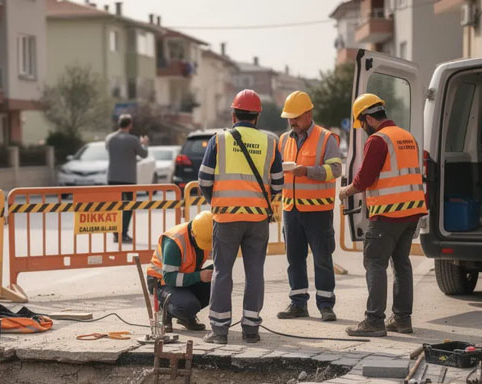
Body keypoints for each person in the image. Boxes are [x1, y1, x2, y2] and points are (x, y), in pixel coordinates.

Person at [197, 89, 284, 344]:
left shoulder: (219, 139)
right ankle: (250, 329)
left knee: (222, 271)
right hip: (258, 218)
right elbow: (278, 183)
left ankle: (220, 330)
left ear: (233, 114)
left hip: (226, 217)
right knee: (255, 271)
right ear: (257, 117)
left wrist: (215, 201)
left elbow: (203, 179)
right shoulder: (270, 141)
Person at [338, 93, 427, 337]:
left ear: (368, 118)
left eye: (362, 124)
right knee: (401, 265)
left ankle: (374, 321)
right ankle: (401, 320)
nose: (363, 129)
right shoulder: (407, 137)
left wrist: (345, 190)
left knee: (375, 263)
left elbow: (364, 180)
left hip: (388, 213)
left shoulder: (378, 140)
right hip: (412, 212)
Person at [275, 90, 344, 323]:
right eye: (289, 117)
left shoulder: (327, 138)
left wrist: (307, 172)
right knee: (294, 259)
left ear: (308, 114)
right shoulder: (283, 140)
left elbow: (335, 170)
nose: (291, 121)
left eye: (295, 117)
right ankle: (298, 304)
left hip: (318, 212)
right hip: (291, 210)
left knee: (322, 259)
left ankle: (326, 305)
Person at [146, 211, 214, 332]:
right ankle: (165, 310)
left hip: (185, 277)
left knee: (220, 279)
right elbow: (169, 277)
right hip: (162, 283)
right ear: (193, 233)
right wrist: (199, 276)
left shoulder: (206, 232)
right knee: (188, 306)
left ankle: (185, 317)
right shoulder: (175, 241)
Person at [105, 114, 149, 243]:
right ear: (130, 125)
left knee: (115, 206)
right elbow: (144, 154)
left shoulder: (110, 138)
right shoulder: (133, 139)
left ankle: (115, 233)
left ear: (119, 124)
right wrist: (144, 144)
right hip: (128, 178)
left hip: (112, 177)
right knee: (128, 206)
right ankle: (123, 233)